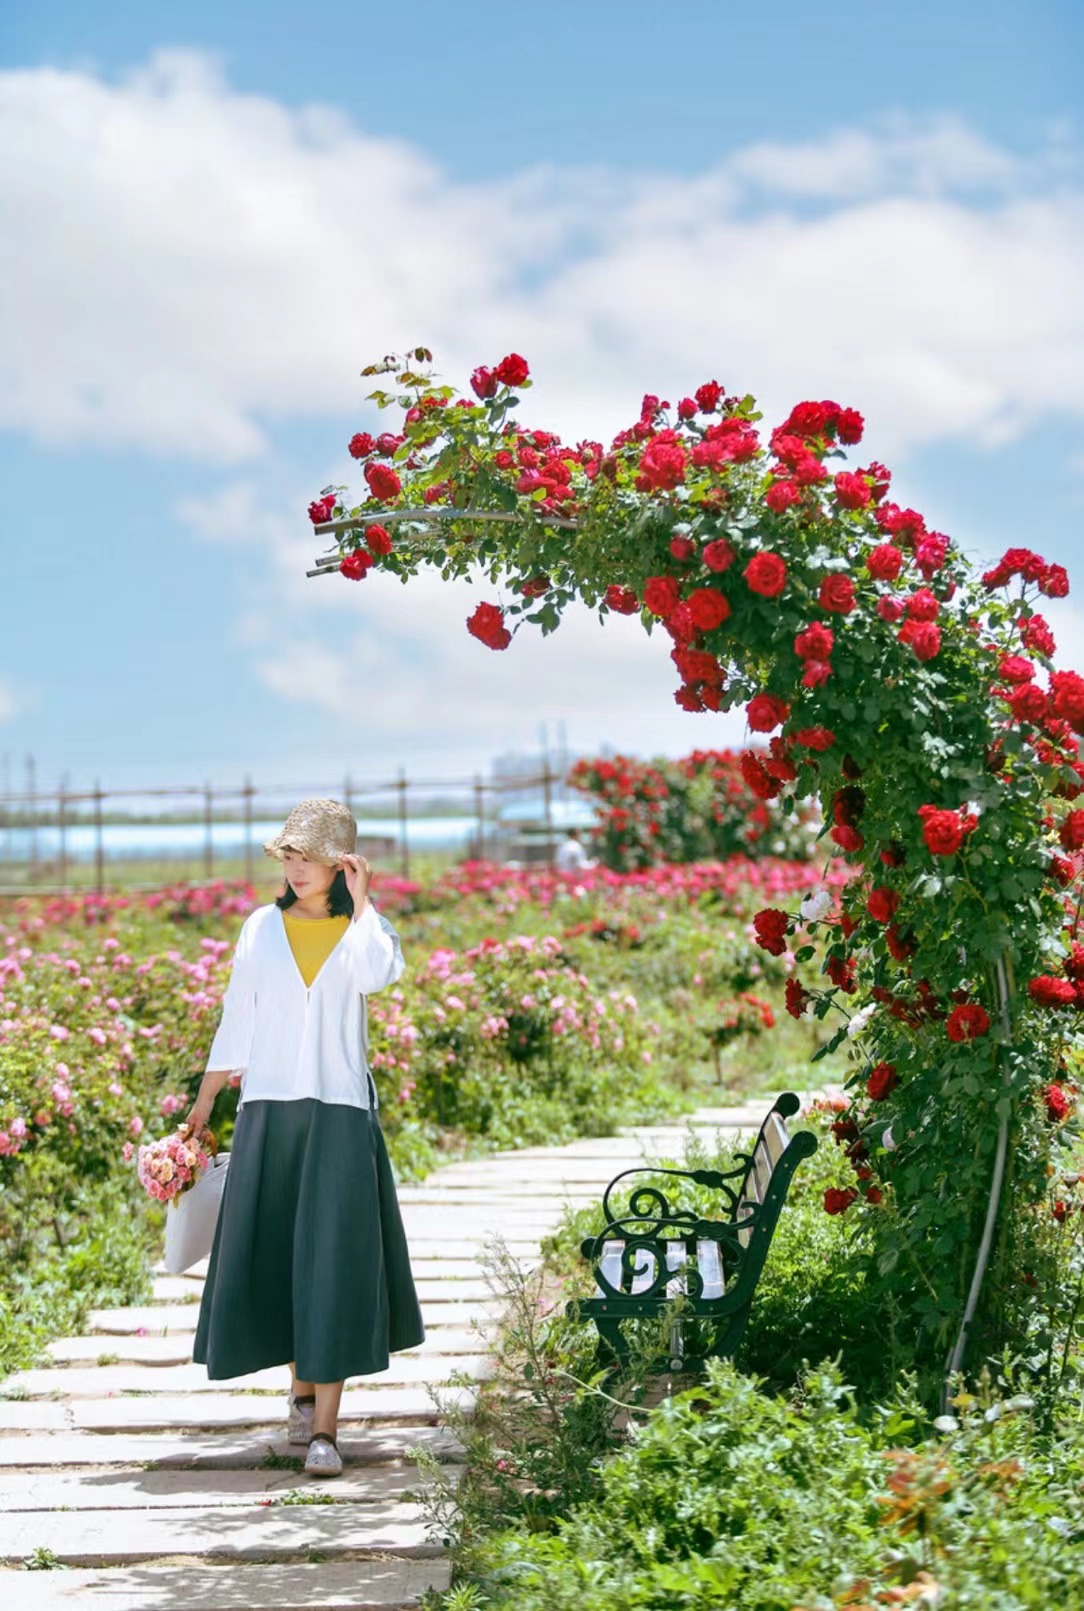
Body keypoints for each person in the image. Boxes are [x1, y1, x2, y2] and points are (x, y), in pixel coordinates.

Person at [187, 797, 424, 1477]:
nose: (296, 867)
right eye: (289, 854)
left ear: (341, 863)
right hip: (268, 1107)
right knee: (283, 1253)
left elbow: (377, 975)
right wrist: (204, 1103)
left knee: (335, 1260)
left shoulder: (365, 934)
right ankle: (299, 1386)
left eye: (310, 856)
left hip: (340, 1110)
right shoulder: (260, 928)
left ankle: (325, 1430)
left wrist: (365, 902)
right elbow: (238, 1016)